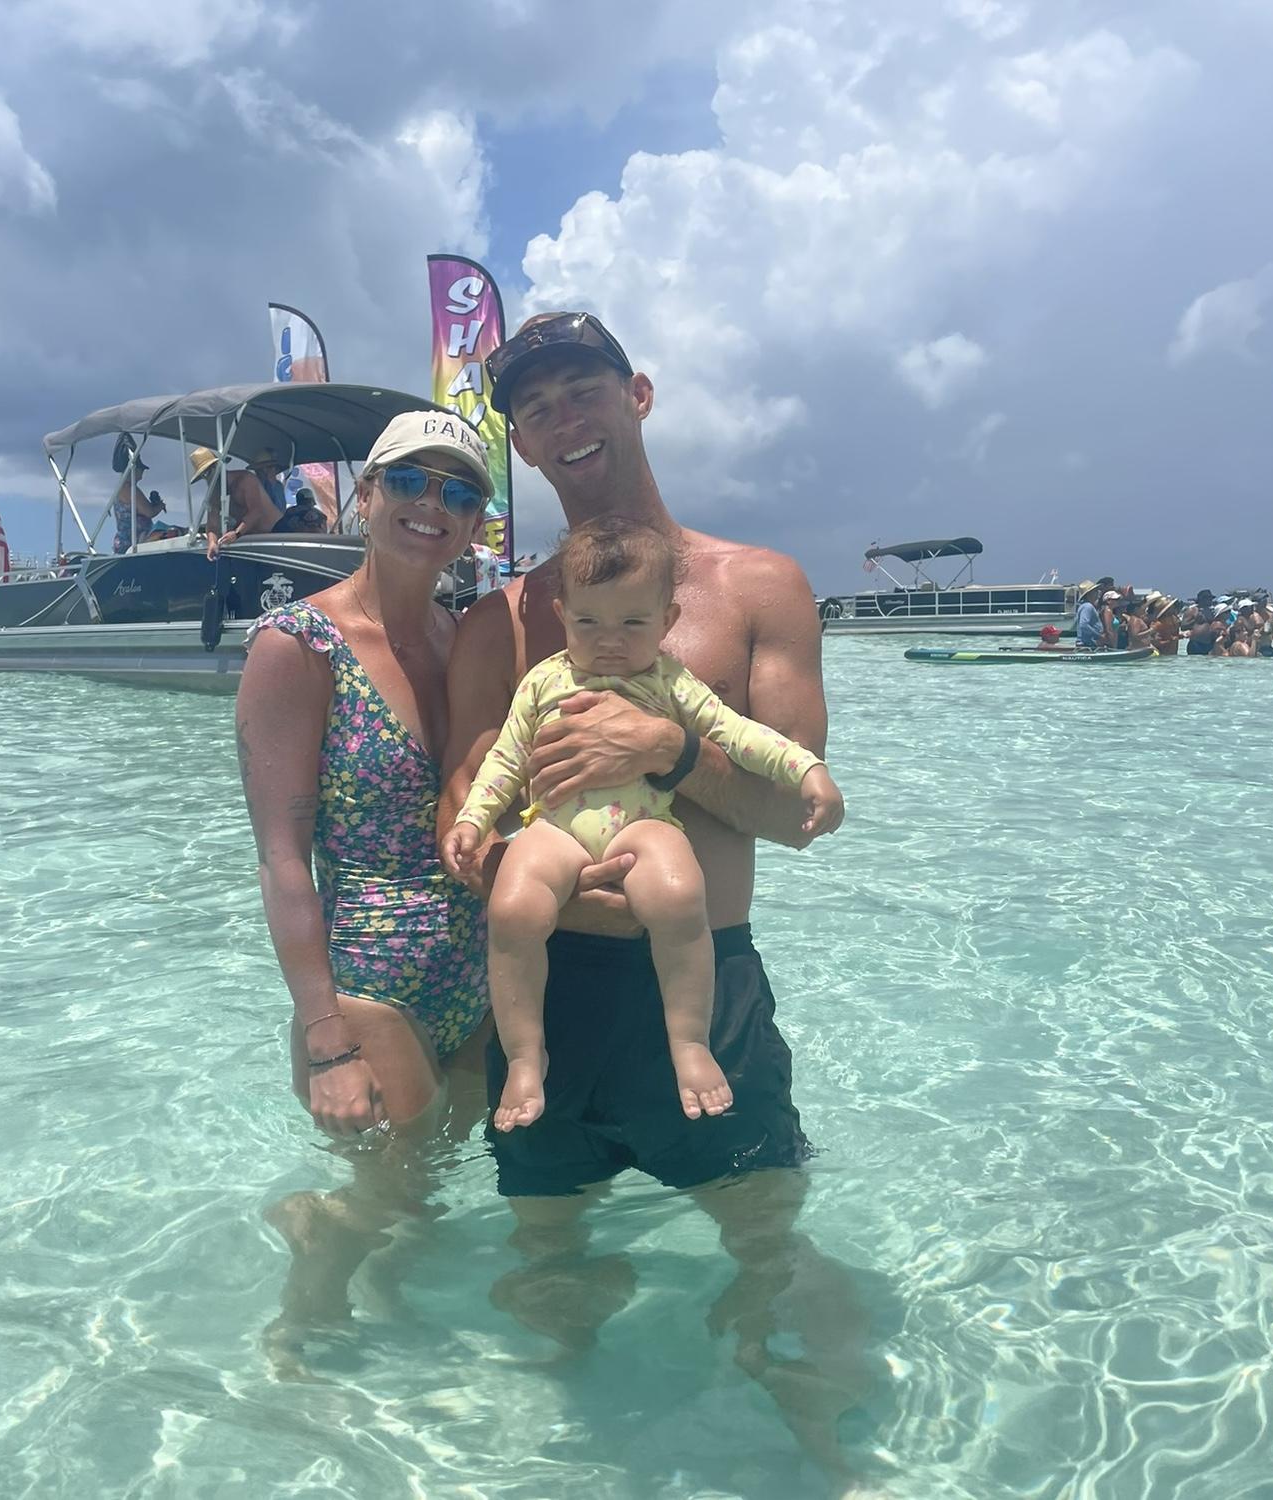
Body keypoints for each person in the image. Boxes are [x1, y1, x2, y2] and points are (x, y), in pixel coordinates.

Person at [439, 311, 866, 1481]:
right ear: (523, 445)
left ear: (638, 395)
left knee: (768, 1252)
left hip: (703, 978)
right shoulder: (501, 623)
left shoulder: (758, 587)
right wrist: (500, 844)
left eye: (582, 390)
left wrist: (667, 751)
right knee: (550, 1268)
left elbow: (794, 814)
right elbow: (463, 805)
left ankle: (835, 1461)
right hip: (547, 999)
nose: (562, 421)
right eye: (535, 411)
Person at [235, 410, 495, 1335]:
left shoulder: (469, 639)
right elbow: (281, 857)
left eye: (459, 493)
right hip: (371, 981)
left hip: (475, 973)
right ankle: (297, 1340)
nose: (434, 505)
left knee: (430, 1193)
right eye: (412, 482)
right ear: (367, 494)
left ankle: (376, 1306)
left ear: (476, 523)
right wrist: (327, 1041)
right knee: (396, 1194)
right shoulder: (297, 645)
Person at [442, 517, 827, 1129]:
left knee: (678, 894)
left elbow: (738, 734)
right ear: (563, 616)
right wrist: (472, 820)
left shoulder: (669, 681)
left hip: (644, 822)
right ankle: (524, 1056)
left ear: (667, 621)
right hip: (556, 826)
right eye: (589, 622)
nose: (610, 641)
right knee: (512, 908)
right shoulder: (543, 680)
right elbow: (505, 759)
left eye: (632, 624)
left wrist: (807, 769)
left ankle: (689, 1044)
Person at [111, 448, 163, 553]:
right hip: (134, 542)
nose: (143, 472)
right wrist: (160, 506)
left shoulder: (121, 488)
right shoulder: (129, 489)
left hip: (126, 541)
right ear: (134, 469)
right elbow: (149, 512)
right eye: (141, 469)